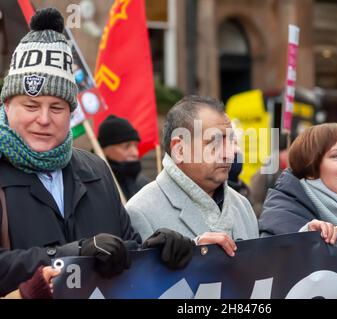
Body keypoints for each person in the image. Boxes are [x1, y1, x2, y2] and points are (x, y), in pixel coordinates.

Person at [0, 8, 194, 296]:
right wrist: (73, 254)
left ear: (71, 113)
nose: (43, 118)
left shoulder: (96, 169)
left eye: (56, 108)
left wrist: (158, 251)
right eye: (30, 106)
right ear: (6, 106)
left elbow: (125, 249)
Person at [126, 95, 259, 257]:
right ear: (180, 150)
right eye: (215, 142)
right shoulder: (140, 212)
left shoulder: (243, 206)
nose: (230, 153)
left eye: (231, 141)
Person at [98, 114, 150, 200]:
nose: (135, 153)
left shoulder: (145, 185)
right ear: (105, 150)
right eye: (127, 146)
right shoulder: (94, 186)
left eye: (136, 146)